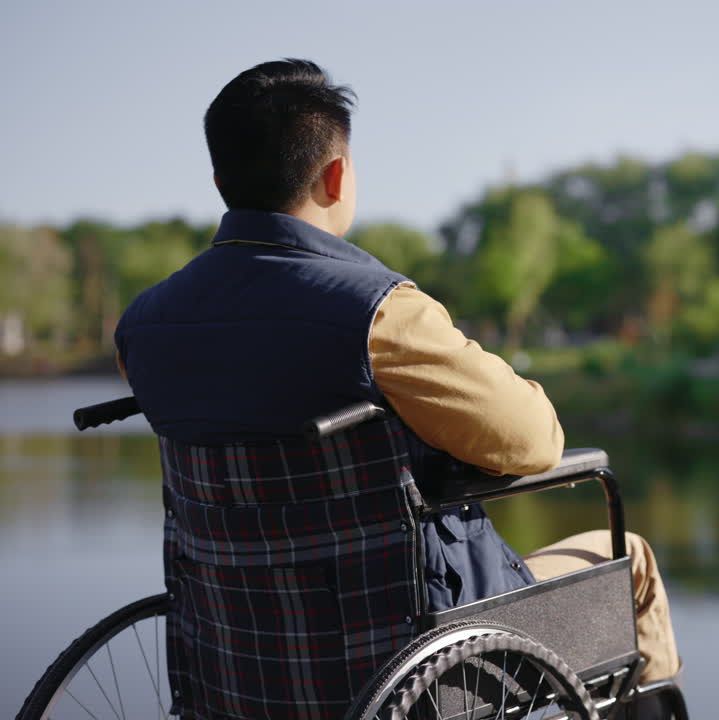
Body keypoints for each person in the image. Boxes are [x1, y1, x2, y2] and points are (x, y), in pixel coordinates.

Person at [114, 59, 677, 718]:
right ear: (337, 175)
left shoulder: (144, 328)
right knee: (629, 557)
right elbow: (533, 443)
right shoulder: (377, 312)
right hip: (407, 662)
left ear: (220, 183)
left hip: (240, 664)